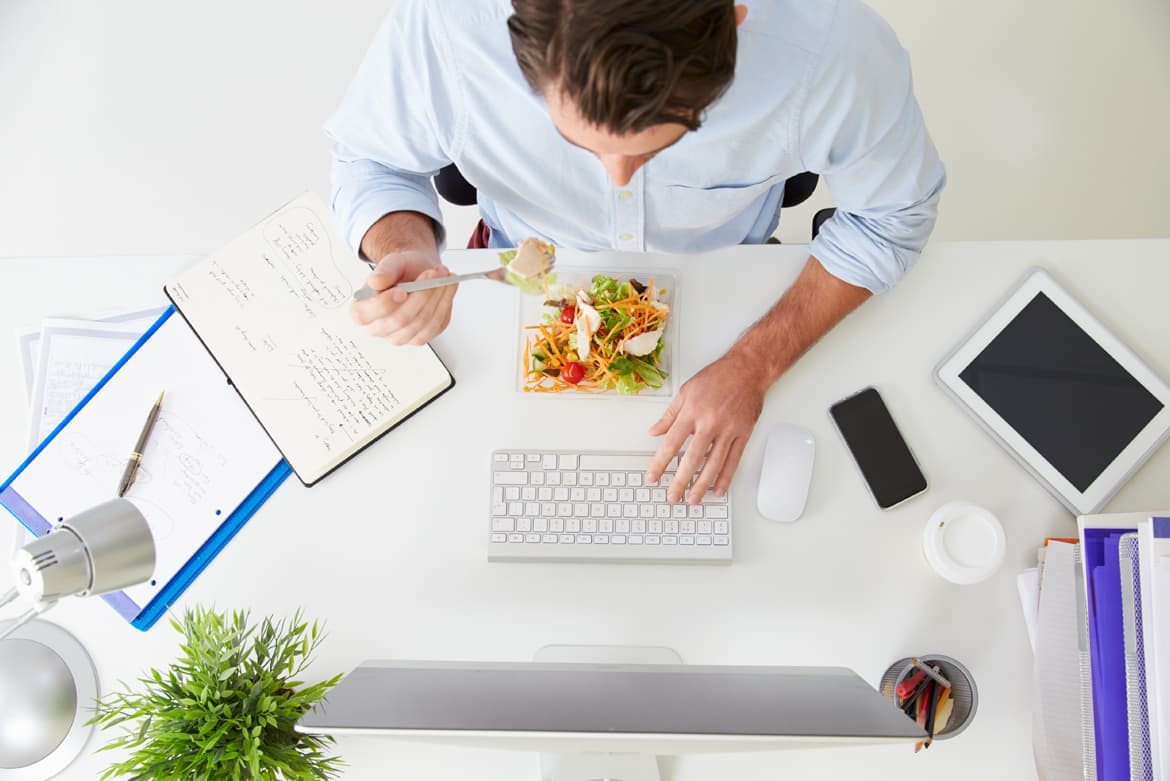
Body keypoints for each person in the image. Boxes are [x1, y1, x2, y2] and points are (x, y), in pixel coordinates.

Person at [325, 0, 945, 506]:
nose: (618, 182)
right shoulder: (444, 30)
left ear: (731, 21)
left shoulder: (835, 52)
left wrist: (756, 364)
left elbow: (892, 218)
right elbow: (371, 160)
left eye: (657, 148)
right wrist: (401, 241)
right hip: (511, 280)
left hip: (730, 289)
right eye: (581, 145)